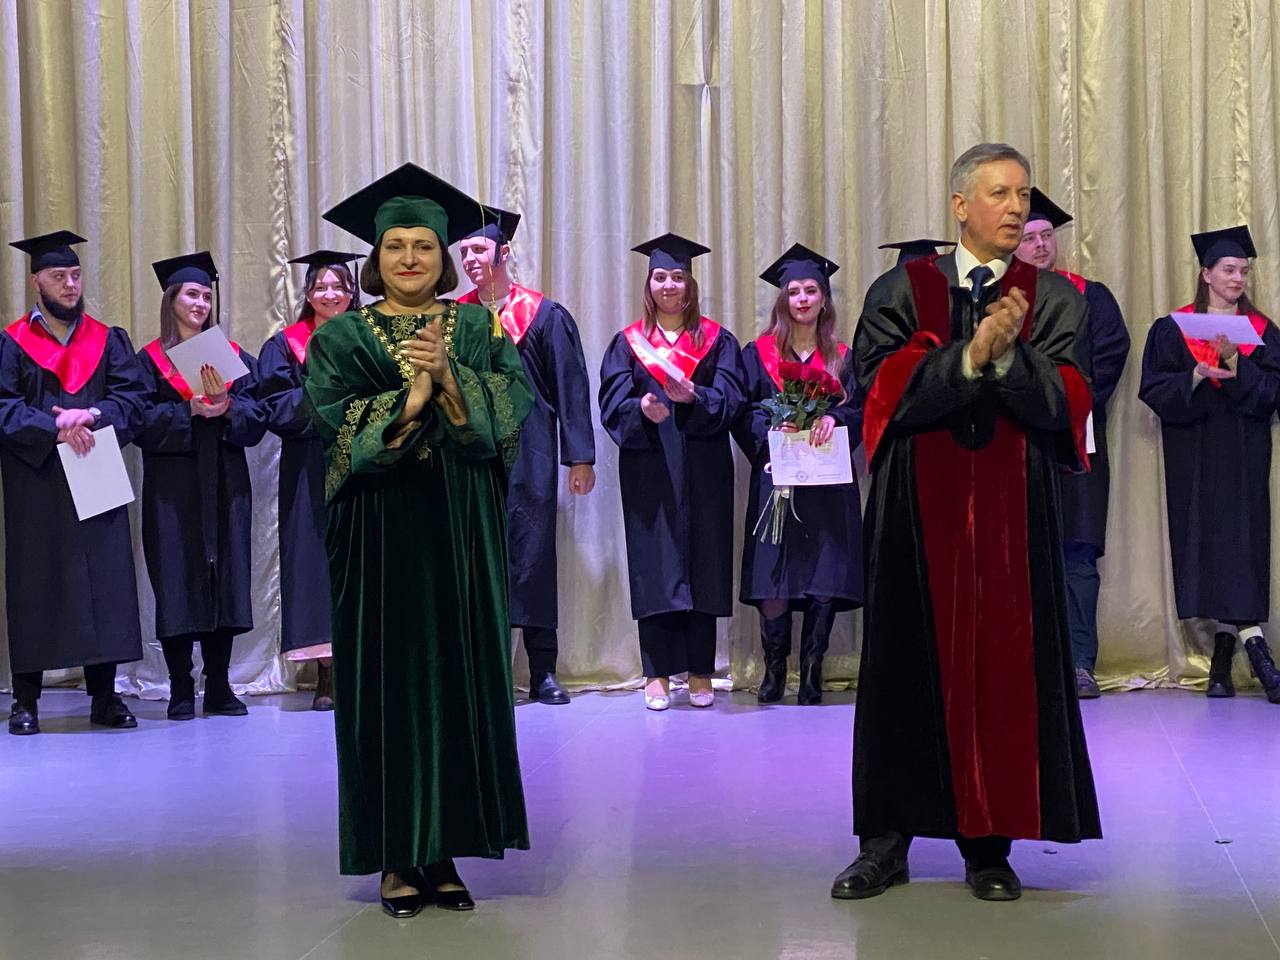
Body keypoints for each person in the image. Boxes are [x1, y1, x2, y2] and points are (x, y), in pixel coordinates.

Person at [833, 143, 1099, 903]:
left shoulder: (1053, 298)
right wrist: (968, 358)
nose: (1017, 208)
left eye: (1023, 194)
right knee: (901, 670)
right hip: (914, 519)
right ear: (960, 205)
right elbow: (877, 392)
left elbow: (1069, 399)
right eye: (999, 193)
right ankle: (884, 845)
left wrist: (1009, 360)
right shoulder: (902, 289)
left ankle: (989, 848)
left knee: (1003, 676)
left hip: (1014, 523)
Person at [305, 163, 534, 917]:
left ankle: (445, 850)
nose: (410, 258)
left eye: (425, 246)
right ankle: (396, 856)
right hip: (379, 530)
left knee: (459, 678)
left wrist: (454, 378)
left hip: (460, 527)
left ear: (444, 256)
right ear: (375, 256)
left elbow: (513, 411)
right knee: (387, 684)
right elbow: (331, 421)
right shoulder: (339, 336)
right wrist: (411, 398)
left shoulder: (478, 326)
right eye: (396, 246)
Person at [0, 231, 147, 734]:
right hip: (37, 477)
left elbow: (133, 401)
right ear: (36, 281)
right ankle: (26, 700)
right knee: (35, 581)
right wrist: (54, 425)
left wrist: (93, 414)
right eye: (58, 275)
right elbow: (4, 407)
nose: (70, 284)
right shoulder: (12, 342)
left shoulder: (108, 340)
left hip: (95, 463)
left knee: (103, 580)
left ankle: (105, 696)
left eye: (76, 275)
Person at [599, 233, 746, 711]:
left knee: (705, 564)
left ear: (690, 284)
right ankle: (656, 673)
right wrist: (641, 409)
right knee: (654, 565)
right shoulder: (628, 344)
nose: (668, 285)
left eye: (677, 277)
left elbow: (732, 399)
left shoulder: (717, 341)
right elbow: (611, 402)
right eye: (660, 276)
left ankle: (701, 671)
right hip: (649, 468)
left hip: (704, 469)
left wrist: (695, 397)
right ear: (649, 284)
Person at [457, 206, 596, 705]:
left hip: (531, 455)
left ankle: (542, 671)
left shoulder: (542, 315)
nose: (470, 259)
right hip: (472, 458)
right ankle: (484, 671)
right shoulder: (456, 318)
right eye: (464, 251)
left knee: (534, 558)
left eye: (479, 249)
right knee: (478, 563)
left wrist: (580, 457)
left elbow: (570, 386)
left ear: (504, 250)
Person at [1138, 224, 1280, 704]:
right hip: (1194, 452)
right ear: (1206, 274)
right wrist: (1196, 374)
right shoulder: (1173, 328)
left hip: (1244, 452)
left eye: (1243, 271)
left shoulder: (1262, 333)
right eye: (1229, 269)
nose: (1238, 278)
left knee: (1241, 541)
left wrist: (1238, 365)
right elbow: (1155, 388)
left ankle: (1227, 656)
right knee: (1208, 542)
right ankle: (1241, 650)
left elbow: (1274, 393)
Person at [136, 251, 267, 720]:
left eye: (207, 297)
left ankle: (219, 685)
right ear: (171, 299)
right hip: (172, 489)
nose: (200, 304)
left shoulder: (233, 358)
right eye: (192, 295)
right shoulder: (149, 362)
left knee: (224, 580)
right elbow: (137, 420)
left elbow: (259, 416)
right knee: (176, 580)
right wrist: (187, 410)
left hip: (226, 483)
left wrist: (227, 407)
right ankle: (179, 686)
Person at [731, 243, 863, 705]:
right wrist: (771, 431)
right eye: (793, 291)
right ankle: (773, 670)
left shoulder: (843, 357)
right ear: (783, 300)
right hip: (778, 480)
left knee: (824, 572)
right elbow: (743, 410)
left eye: (811, 290)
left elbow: (860, 411)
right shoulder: (758, 354)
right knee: (775, 573)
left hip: (827, 483)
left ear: (824, 299)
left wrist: (835, 419)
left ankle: (812, 670)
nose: (802, 299)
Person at [1016, 188, 1131, 699]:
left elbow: (1111, 353)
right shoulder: (997, 300)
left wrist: (1066, 404)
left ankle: (1080, 663)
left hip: (1078, 443)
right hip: (1016, 442)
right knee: (1016, 552)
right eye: (1029, 238)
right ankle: (1024, 665)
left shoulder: (1090, 295)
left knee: (1078, 553)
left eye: (1047, 236)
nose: (1041, 245)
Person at [258, 250, 360, 710]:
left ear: (352, 292)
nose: (330, 294)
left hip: (366, 461)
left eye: (338, 286)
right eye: (321, 286)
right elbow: (276, 409)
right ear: (308, 294)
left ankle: (369, 664)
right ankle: (327, 673)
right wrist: (324, 392)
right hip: (310, 467)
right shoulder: (286, 346)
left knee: (366, 558)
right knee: (317, 564)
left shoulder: (372, 337)